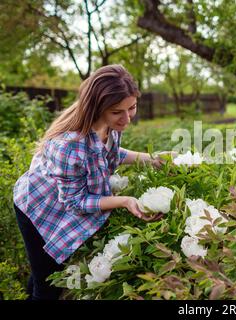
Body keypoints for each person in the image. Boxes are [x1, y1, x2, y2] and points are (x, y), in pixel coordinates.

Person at [13, 64, 163, 300]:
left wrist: (152, 159)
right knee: (49, 286)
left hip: (61, 197)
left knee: (42, 269)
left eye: (132, 107)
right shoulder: (70, 144)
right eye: (117, 112)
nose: (127, 118)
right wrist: (124, 200)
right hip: (38, 206)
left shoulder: (110, 125)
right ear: (98, 108)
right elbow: (75, 201)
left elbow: (109, 153)